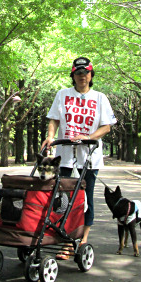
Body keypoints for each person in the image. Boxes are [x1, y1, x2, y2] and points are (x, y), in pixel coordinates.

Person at [41, 56, 116, 257]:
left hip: (89, 158)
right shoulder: (62, 95)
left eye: (86, 73)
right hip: (65, 156)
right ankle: (65, 237)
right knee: (64, 199)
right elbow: (54, 120)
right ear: (73, 76)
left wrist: (89, 137)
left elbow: (107, 127)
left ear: (91, 75)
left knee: (85, 199)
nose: (82, 76)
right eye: (78, 73)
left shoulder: (100, 98)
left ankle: (82, 240)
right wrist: (50, 137)